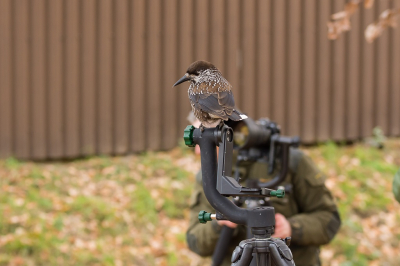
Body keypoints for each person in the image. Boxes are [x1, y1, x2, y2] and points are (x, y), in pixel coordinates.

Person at [186, 118, 341, 266]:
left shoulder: (291, 162)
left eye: (206, 139)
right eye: (198, 140)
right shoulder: (208, 176)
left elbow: (329, 220)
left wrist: (292, 228)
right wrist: (220, 224)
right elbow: (195, 241)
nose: (198, 151)